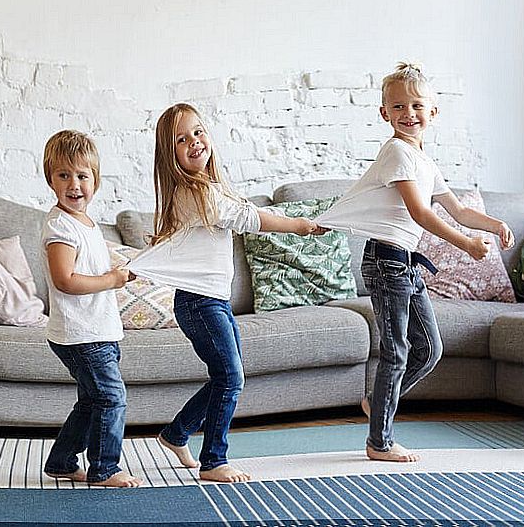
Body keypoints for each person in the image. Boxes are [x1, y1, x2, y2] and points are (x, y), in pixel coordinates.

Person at [317, 62, 515, 462]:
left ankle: (378, 402)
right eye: (398, 106)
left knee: (430, 349)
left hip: (406, 264)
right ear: (384, 114)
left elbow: (457, 210)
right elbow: (422, 214)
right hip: (386, 262)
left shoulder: (425, 162)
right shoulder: (396, 153)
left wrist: (495, 225)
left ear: (433, 113)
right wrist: (467, 246)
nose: (408, 113)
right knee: (397, 350)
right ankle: (380, 442)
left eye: (417, 105)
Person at [126, 103, 326, 483]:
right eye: (181, 140)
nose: (194, 142)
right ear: (170, 156)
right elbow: (251, 219)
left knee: (226, 376)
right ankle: (214, 460)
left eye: (198, 132)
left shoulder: (213, 188)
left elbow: (243, 210)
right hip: (199, 304)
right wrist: (298, 224)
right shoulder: (193, 194)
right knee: (231, 378)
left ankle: (176, 434)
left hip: (212, 302)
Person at [40, 130, 142, 487]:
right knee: (112, 398)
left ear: (95, 181)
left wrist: (124, 269)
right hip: (80, 333)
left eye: (82, 175)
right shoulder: (59, 227)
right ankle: (104, 468)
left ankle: (62, 461)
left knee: (91, 401)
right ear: (50, 179)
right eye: (64, 175)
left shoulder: (86, 223)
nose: (74, 184)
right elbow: (66, 279)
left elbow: (95, 264)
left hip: (99, 329)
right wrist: (112, 281)